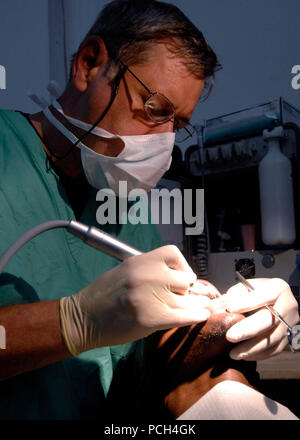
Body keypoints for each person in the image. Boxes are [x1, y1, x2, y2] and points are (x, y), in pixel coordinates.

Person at [0, 0, 298, 420]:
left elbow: (148, 350)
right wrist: (74, 321)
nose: (163, 141)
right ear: (88, 64)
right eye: (155, 108)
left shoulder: (125, 200)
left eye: (177, 124)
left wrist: (227, 322)